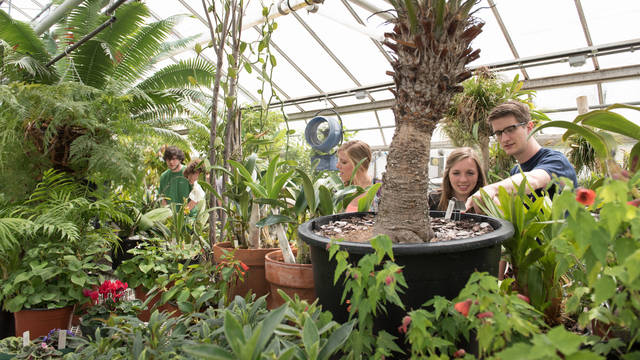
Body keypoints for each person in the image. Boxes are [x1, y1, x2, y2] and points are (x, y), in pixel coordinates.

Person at [465, 100, 578, 212]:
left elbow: (533, 180)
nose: (504, 139)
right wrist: (488, 204)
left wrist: (492, 189)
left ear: (529, 127)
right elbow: (516, 215)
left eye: (510, 129)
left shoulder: (556, 161)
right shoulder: (516, 172)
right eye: (499, 133)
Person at [428, 147, 487, 212]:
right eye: (456, 173)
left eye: (470, 173)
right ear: (448, 174)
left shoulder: (489, 204)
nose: (463, 180)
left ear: (479, 175)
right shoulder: (433, 200)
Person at [336, 140, 374, 213]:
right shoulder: (340, 191)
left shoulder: (379, 192)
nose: (337, 166)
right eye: (338, 161)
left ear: (360, 165)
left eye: (343, 162)